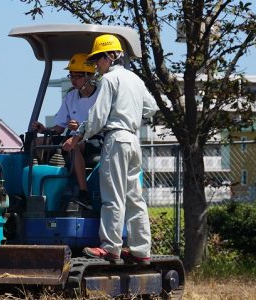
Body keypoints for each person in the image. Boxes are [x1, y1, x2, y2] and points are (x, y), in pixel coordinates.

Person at [62, 34, 158, 264]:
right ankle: (141, 250)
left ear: (110, 57)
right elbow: (152, 107)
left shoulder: (109, 80)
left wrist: (77, 136)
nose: (96, 64)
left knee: (112, 195)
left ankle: (111, 248)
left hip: (116, 139)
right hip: (133, 140)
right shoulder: (134, 79)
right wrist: (131, 114)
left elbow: (97, 116)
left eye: (98, 59)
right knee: (135, 197)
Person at [32, 53, 99, 209]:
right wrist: (45, 130)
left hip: (95, 137)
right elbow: (60, 127)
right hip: (74, 136)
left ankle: (83, 193)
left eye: (78, 76)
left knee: (73, 145)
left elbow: (100, 124)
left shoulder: (100, 96)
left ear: (89, 76)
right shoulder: (71, 97)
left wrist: (81, 128)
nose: (73, 80)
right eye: (71, 75)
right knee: (37, 143)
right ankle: (39, 187)